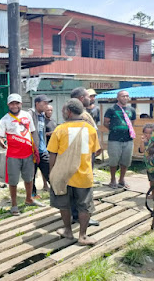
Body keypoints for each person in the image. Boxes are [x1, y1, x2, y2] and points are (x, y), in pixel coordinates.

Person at [48, 99, 101, 246]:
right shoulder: (90, 129)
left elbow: (52, 155)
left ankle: (68, 231)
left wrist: (52, 175)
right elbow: (94, 152)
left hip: (63, 175)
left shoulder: (60, 129)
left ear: (69, 112)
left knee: (64, 204)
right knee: (85, 206)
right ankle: (83, 236)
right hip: (84, 175)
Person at [0, 93, 45, 216]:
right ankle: (14, 205)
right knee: (13, 181)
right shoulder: (4, 119)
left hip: (28, 154)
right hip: (13, 156)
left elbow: (33, 132)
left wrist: (36, 148)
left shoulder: (27, 115)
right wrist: (1, 143)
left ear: (21, 104)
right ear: (8, 105)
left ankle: (29, 199)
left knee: (29, 178)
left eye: (17, 103)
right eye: (12, 103)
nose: (14, 106)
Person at [70, 87, 100, 226]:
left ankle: (77, 214)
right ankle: (81, 216)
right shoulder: (79, 114)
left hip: (81, 154)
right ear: (82, 98)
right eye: (88, 96)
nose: (90, 98)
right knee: (83, 187)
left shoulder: (76, 112)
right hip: (83, 155)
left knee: (77, 186)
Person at [104, 90, 136, 189]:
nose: (125, 98)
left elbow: (132, 123)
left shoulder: (131, 110)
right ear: (118, 98)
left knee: (126, 161)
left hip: (128, 139)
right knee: (113, 160)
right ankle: (113, 179)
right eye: (123, 96)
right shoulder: (111, 109)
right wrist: (115, 130)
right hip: (114, 139)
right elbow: (106, 123)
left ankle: (122, 180)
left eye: (127, 96)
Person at [28, 95, 53, 195]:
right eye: (45, 103)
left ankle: (56, 192)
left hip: (43, 150)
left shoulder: (43, 116)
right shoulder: (30, 114)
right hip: (32, 150)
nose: (47, 106)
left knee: (49, 171)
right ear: (37, 104)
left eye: (47, 103)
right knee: (32, 174)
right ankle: (32, 195)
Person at [138, 123, 154, 195]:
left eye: (150, 133)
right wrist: (142, 142)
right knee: (151, 180)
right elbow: (141, 150)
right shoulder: (145, 142)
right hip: (149, 166)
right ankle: (153, 194)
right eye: (146, 133)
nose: (148, 135)